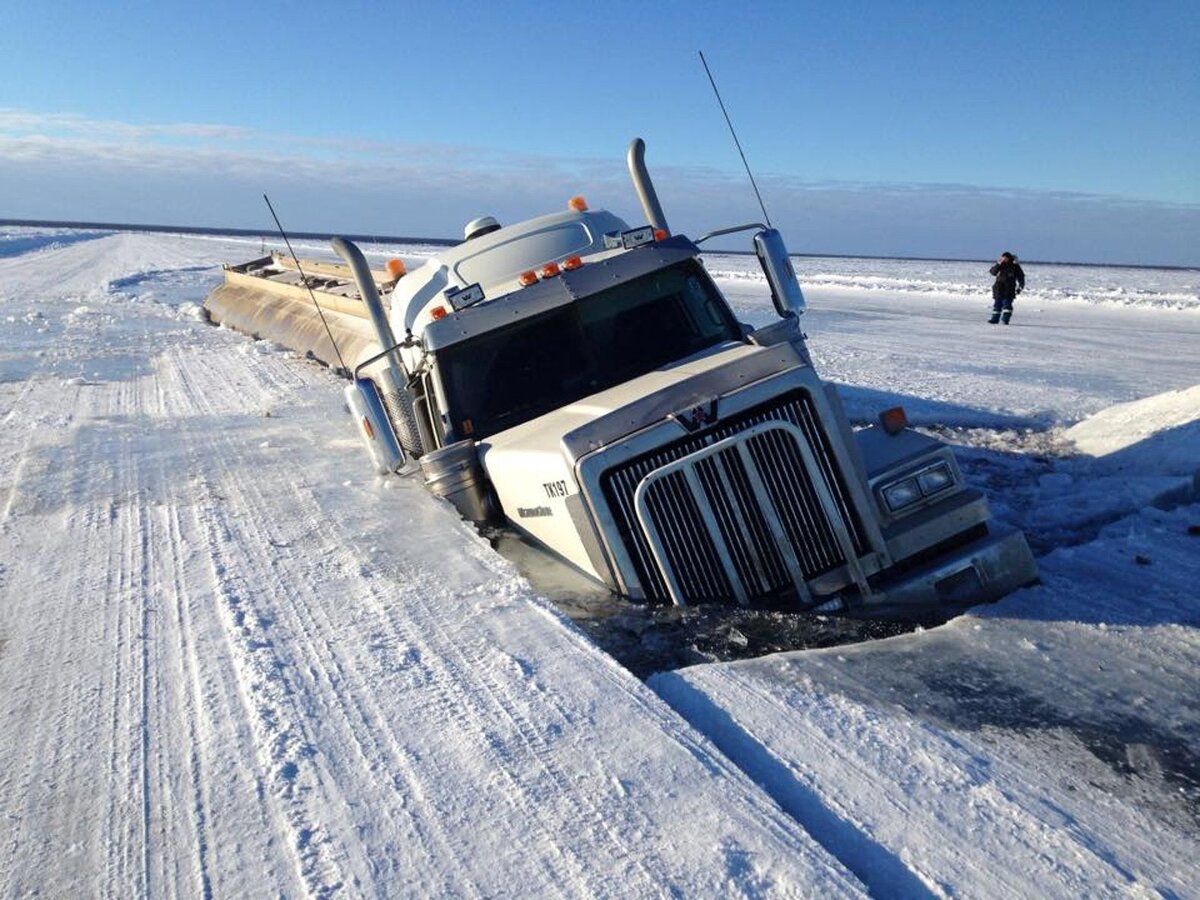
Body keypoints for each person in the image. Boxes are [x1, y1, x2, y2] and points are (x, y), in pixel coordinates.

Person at [988, 251, 1025, 324]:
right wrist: (998, 264)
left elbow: (1021, 277)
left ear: (1009, 258)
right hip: (998, 288)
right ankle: (994, 319)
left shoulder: (1015, 266)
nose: (1003, 259)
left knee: (1007, 305)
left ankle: (1005, 319)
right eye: (1002, 258)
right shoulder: (1000, 265)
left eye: (1005, 258)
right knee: (997, 305)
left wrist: (1020, 287)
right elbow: (993, 272)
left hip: (1009, 289)